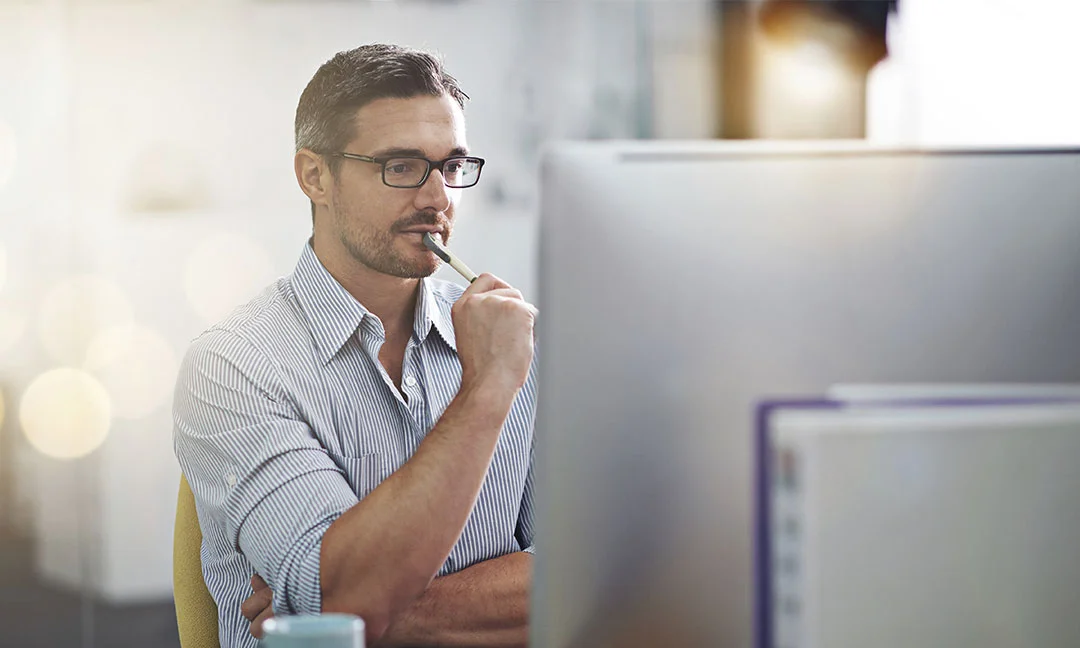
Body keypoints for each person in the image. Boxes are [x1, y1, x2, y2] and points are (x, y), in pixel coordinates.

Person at [173, 44, 537, 648]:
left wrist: (400, 616)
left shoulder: (523, 339)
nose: (438, 198)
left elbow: (598, 580)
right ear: (315, 176)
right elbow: (346, 602)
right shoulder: (232, 364)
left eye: (450, 167)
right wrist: (487, 389)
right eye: (400, 166)